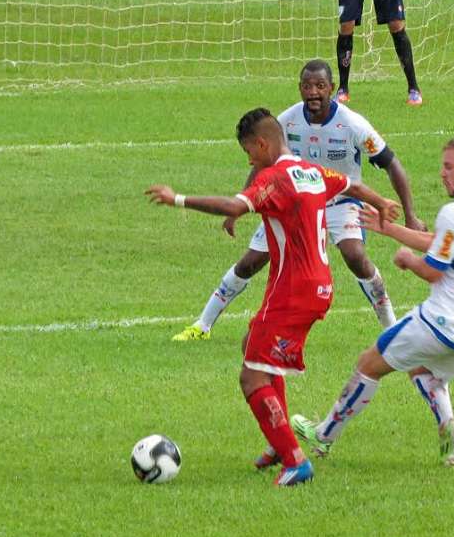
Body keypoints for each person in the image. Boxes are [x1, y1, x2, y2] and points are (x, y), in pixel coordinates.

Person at [146, 108, 400, 487]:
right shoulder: (311, 171)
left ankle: (295, 462)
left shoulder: (276, 178)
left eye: (249, 152)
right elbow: (352, 185)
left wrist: (177, 198)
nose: (249, 160)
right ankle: (278, 443)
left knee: (251, 378)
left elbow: (234, 206)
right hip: (319, 287)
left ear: (262, 144)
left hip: (292, 291)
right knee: (254, 345)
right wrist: (382, 203)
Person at [291, 133, 454, 468]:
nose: (442, 173)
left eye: (449, 167)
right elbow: (441, 243)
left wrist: (407, 261)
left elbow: (434, 270)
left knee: (369, 364)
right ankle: (449, 426)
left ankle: (322, 436)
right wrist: (389, 230)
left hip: (441, 322)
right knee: (423, 370)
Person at [172, 59, 427, 342]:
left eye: (320, 86)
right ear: (299, 88)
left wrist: (411, 215)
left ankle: (391, 329)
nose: (313, 92)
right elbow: (260, 163)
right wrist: (238, 208)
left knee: (355, 256)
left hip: (342, 201)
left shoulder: (353, 124)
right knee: (251, 262)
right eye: (307, 86)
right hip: (295, 202)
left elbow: (392, 164)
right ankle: (203, 325)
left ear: (331, 88)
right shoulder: (287, 121)